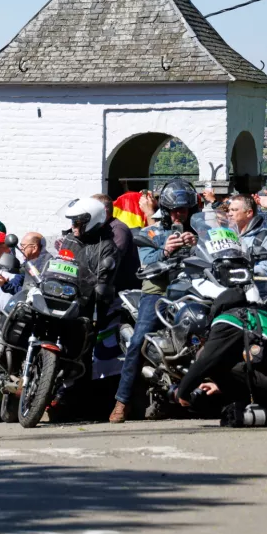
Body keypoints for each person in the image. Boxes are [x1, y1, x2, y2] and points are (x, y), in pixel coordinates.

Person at [110, 180, 198, 423]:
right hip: (158, 291)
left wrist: (196, 245)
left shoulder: (198, 232)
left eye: (184, 209)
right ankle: (122, 401)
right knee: (138, 341)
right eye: (176, 210)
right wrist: (166, 250)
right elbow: (147, 262)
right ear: (166, 210)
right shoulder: (150, 232)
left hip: (191, 289)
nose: (180, 214)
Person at [227, 195, 267, 301]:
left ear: (249, 213)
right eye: (229, 210)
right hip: (230, 290)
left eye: (234, 210)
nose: (229, 213)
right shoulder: (227, 235)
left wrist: (242, 269)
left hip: (255, 295)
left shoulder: (262, 238)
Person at [94, 193, 141, 292]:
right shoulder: (101, 228)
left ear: (104, 211)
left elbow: (113, 258)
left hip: (121, 288)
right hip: (104, 283)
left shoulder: (118, 229)